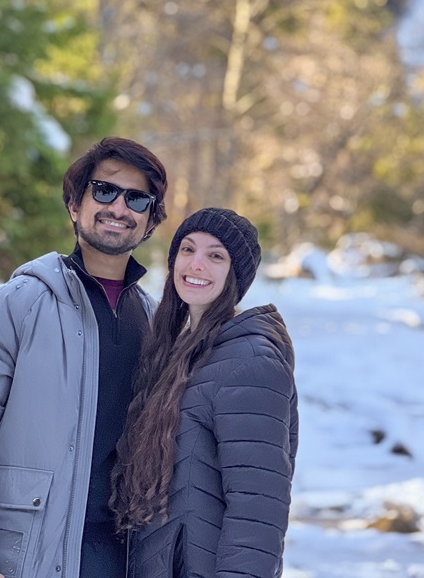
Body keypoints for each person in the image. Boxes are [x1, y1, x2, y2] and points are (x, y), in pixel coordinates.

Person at [0, 135, 168, 578]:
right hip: (18, 561)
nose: (118, 207)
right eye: (105, 190)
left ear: (150, 221)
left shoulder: (154, 323)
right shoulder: (17, 305)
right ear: (75, 204)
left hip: (121, 561)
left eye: (137, 199)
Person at [111, 207, 298, 578]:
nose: (196, 265)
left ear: (235, 275)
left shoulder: (250, 363)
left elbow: (258, 510)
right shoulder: (178, 351)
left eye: (215, 256)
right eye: (187, 249)